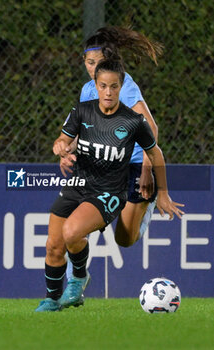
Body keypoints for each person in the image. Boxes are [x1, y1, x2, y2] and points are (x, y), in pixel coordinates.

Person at [35, 59, 184, 312]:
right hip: (78, 184)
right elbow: (63, 139)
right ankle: (51, 299)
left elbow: (156, 153)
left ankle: (79, 277)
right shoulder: (82, 111)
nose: (108, 92)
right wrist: (61, 147)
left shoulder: (133, 121)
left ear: (121, 86)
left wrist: (163, 194)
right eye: (103, 86)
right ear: (96, 85)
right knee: (53, 245)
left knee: (71, 232)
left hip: (109, 191)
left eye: (114, 87)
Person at [60, 27, 162, 281]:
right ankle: (77, 275)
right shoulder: (88, 89)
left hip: (137, 164)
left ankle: (143, 209)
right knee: (74, 224)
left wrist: (148, 172)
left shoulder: (124, 87)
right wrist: (67, 148)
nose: (93, 67)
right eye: (89, 62)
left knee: (125, 239)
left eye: (99, 62)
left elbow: (152, 129)